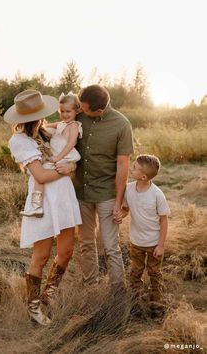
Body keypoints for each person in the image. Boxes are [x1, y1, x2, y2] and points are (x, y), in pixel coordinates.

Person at [4, 89, 82, 326]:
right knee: (42, 255)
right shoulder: (19, 140)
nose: (41, 118)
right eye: (37, 115)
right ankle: (34, 308)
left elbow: (69, 122)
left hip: (64, 197)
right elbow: (39, 174)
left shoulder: (46, 131)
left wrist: (71, 168)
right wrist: (67, 169)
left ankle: (49, 296)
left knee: (66, 251)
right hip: (43, 199)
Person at [56, 84, 134, 288]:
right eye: (78, 106)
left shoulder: (121, 124)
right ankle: (91, 286)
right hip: (81, 191)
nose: (79, 110)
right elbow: (60, 128)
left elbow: (123, 165)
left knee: (111, 246)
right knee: (86, 243)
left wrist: (119, 202)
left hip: (107, 193)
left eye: (84, 108)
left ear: (99, 110)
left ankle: (118, 292)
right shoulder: (78, 115)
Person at [120, 154, 170, 315]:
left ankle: (157, 304)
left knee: (154, 273)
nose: (131, 169)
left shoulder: (157, 195)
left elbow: (164, 220)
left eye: (134, 168)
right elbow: (126, 209)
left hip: (154, 243)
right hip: (136, 242)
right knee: (135, 272)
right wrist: (120, 214)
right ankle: (134, 302)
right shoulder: (128, 188)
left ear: (143, 176)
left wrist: (161, 245)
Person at [20, 92, 82, 218]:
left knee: (40, 177)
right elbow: (44, 126)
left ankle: (36, 206)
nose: (64, 114)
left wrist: (58, 158)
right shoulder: (61, 124)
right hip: (57, 155)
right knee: (39, 176)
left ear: (77, 111)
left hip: (64, 156)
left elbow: (71, 144)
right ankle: (36, 206)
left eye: (68, 111)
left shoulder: (74, 125)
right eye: (62, 111)